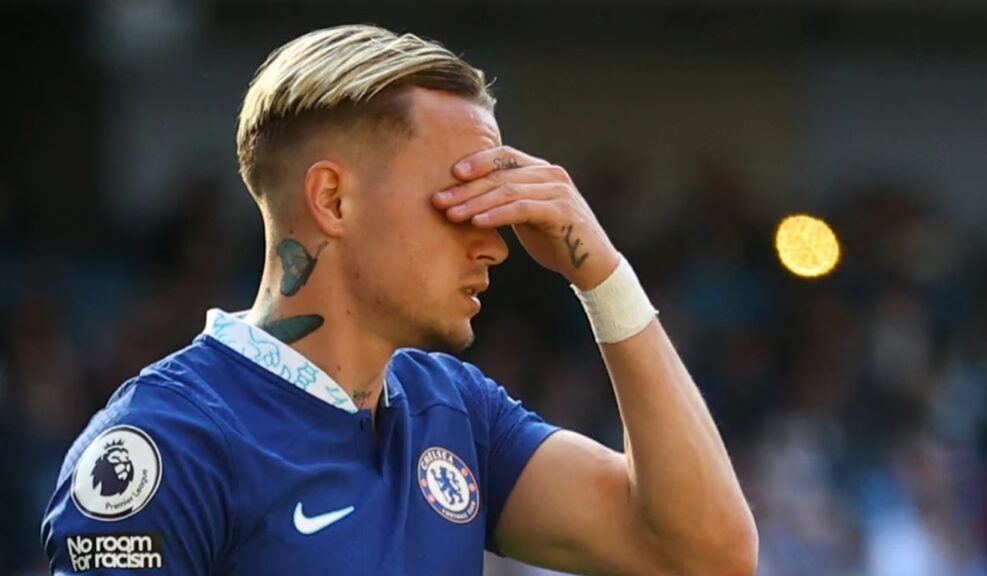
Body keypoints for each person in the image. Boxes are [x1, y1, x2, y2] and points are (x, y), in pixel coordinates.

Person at [41, 25, 757, 575]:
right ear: (333, 200)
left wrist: (603, 276)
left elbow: (704, 555)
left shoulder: (455, 411)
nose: (496, 244)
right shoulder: (167, 445)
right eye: (461, 199)